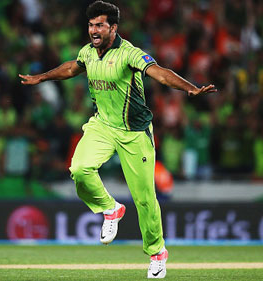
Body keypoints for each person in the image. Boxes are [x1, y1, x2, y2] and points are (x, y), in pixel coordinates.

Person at [19, 1, 216, 279]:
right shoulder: (87, 52)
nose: (93, 30)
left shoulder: (129, 54)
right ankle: (110, 208)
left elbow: (158, 72)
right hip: (102, 126)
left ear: (113, 27)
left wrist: (189, 88)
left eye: (99, 25)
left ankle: (157, 253)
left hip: (134, 132)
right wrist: (42, 77)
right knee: (78, 169)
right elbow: (72, 68)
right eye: (90, 25)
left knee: (146, 199)